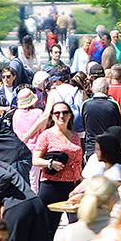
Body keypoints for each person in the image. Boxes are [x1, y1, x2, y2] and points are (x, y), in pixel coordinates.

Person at [29, 98, 84, 233]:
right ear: (52, 116)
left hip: (73, 186)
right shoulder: (46, 135)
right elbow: (35, 160)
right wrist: (50, 163)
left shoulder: (75, 136)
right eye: (57, 113)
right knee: (47, 229)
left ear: (70, 115)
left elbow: (79, 162)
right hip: (52, 186)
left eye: (65, 113)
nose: (61, 116)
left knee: (76, 228)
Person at [79, 77, 121, 152]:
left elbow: (84, 125)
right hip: (109, 145)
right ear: (107, 89)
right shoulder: (113, 104)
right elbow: (118, 126)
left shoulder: (85, 104)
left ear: (92, 89)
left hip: (91, 146)